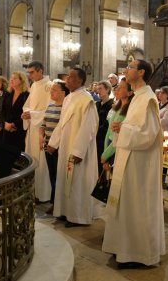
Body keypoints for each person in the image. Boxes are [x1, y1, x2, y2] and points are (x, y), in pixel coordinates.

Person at [103, 59, 165, 268]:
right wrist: (124, 127)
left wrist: (124, 129)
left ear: (140, 72)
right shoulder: (138, 96)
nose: (126, 70)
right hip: (127, 158)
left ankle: (138, 254)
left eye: (130, 68)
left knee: (137, 206)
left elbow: (148, 134)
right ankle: (123, 247)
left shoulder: (148, 99)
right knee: (125, 205)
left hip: (140, 164)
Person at [46, 67, 98, 227]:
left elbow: (89, 127)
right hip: (65, 147)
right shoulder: (69, 98)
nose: (67, 79)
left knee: (77, 183)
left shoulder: (86, 100)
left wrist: (78, 151)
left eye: (70, 76)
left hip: (77, 150)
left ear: (80, 80)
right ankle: (65, 212)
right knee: (65, 180)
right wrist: (53, 143)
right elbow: (62, 124)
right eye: (67, 76)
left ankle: (78, 217)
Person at [21, 61, 53, 202]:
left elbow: (50, 110)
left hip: (42, 130)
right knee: (32, 159)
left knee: (42, 162)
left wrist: (32, 114)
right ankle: (33, 191)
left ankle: (43, 194)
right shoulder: (34, 86)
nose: (30, 75)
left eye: (32, 72)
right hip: (32, 129)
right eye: (28, 72)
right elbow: (27, 105)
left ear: (41, 70)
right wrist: (26, 113)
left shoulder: (50, 86)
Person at [40, 80, 69, 214]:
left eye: (54, 90)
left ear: (63, 92)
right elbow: (43, 124)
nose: (51, 92)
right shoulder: (50, 106)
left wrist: (55, 144)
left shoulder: (66, 108)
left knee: (59, 175)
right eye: (51, 90)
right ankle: (54, 202)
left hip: (59, 147)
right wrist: (41, 137)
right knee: (52, 174)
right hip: (47, 145)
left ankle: (58, 203)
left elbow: (64, 129)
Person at [100, 78, 134, 174]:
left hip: (116, 148)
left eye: (122, 87)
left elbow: (119, 137)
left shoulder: (129, 111)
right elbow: (109, 132)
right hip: (109, 146)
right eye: (118, 86)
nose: (117, 89)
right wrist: (105, 152)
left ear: (129, 93)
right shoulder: (117, 108)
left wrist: (106, 154)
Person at [1, 72, 30, 171]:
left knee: (17, 158)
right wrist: (5, 123)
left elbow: (26, 114)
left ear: (22, 80)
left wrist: (14, 124)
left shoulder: (26, 95)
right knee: (5, 159)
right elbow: (2, 112)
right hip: (6, 130)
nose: (11, 80)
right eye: (11, 78)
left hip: (19, 131)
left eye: (15, 78)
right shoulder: (8, 94)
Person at [95, 81, 114, 175]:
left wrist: (97, 131)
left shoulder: (112, 104)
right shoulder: (97, 104)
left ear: (107, 90)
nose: (98, 91)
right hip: (95, 139)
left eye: (101, 89)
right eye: (98, 89)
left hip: (104, 139)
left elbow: (107, 123)